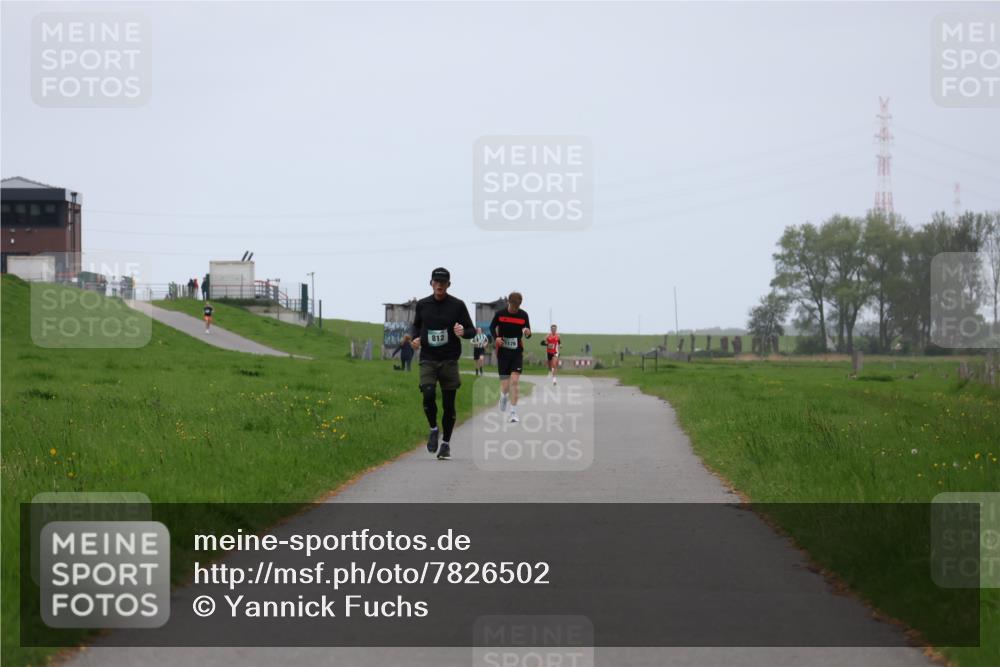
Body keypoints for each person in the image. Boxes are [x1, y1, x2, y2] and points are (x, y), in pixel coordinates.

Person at [410, 267, 476, 460]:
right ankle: (433, 428)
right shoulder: (423, 305)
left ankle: (445, 443)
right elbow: (416, 326)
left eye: (443, 283)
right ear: (431, 283)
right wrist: (415, 338)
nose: (439, 285)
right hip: (428, 358)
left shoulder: (457, 305)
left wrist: (463, 332)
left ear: (449, 284)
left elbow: (471, 330)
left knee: (448, 404)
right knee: (428, 394)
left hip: (449, 360)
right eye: (436, 282)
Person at [491, 292, 531, 423]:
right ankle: (503, 397)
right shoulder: (500, 314)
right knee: (505, 386)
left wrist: (527, 333)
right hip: (503, 353)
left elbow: (527, 332)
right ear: (509, 302)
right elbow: (492, 327)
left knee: (514, 382)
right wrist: (496, 338)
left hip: (516, 352)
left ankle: (513, 413)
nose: (515, 309)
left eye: (517, 307)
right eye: (513, 306)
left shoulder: (523, 315)